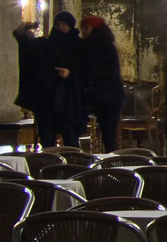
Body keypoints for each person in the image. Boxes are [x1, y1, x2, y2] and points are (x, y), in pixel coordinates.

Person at [76, 15, 125, 153]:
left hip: (109, 97)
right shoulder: (85, 47)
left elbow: (111, 72)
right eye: (82, 28)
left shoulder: (106, 48)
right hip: (95, 95)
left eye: (86, 28)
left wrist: (90, 75)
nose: (83, 31)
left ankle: (110, 161)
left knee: (108, 133)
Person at [40, 12, 85, 149]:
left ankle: (75, 163)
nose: (60, 27)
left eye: (63, 24)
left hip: (69, 97)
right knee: (48, 134)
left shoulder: (78, 45)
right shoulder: (49, 44)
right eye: (58, 24)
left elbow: (83, 69)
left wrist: (69, 73)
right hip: (50, 94)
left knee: (70, 134)